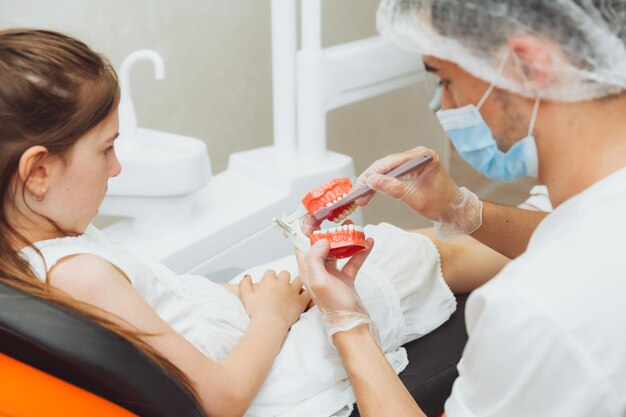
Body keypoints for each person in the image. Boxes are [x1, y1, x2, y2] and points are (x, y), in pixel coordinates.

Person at [1, 28, 461, 417]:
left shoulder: (38, 246)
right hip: (264, 363)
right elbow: (217, 399)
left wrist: (259, 295)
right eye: (106, 148)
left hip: (240, 320)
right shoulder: (80, 273)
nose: (116, 167)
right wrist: (271, 314)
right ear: (38, 173)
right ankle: (529, 249)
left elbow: (165, 305)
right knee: (408, 254)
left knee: (386, 247)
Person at [298, 1, 626, 416]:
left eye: (447, 80)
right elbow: (581, 237)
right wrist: (461, 209)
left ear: (527, 66)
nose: (444, 107)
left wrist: (347, 324)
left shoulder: (534, 310)